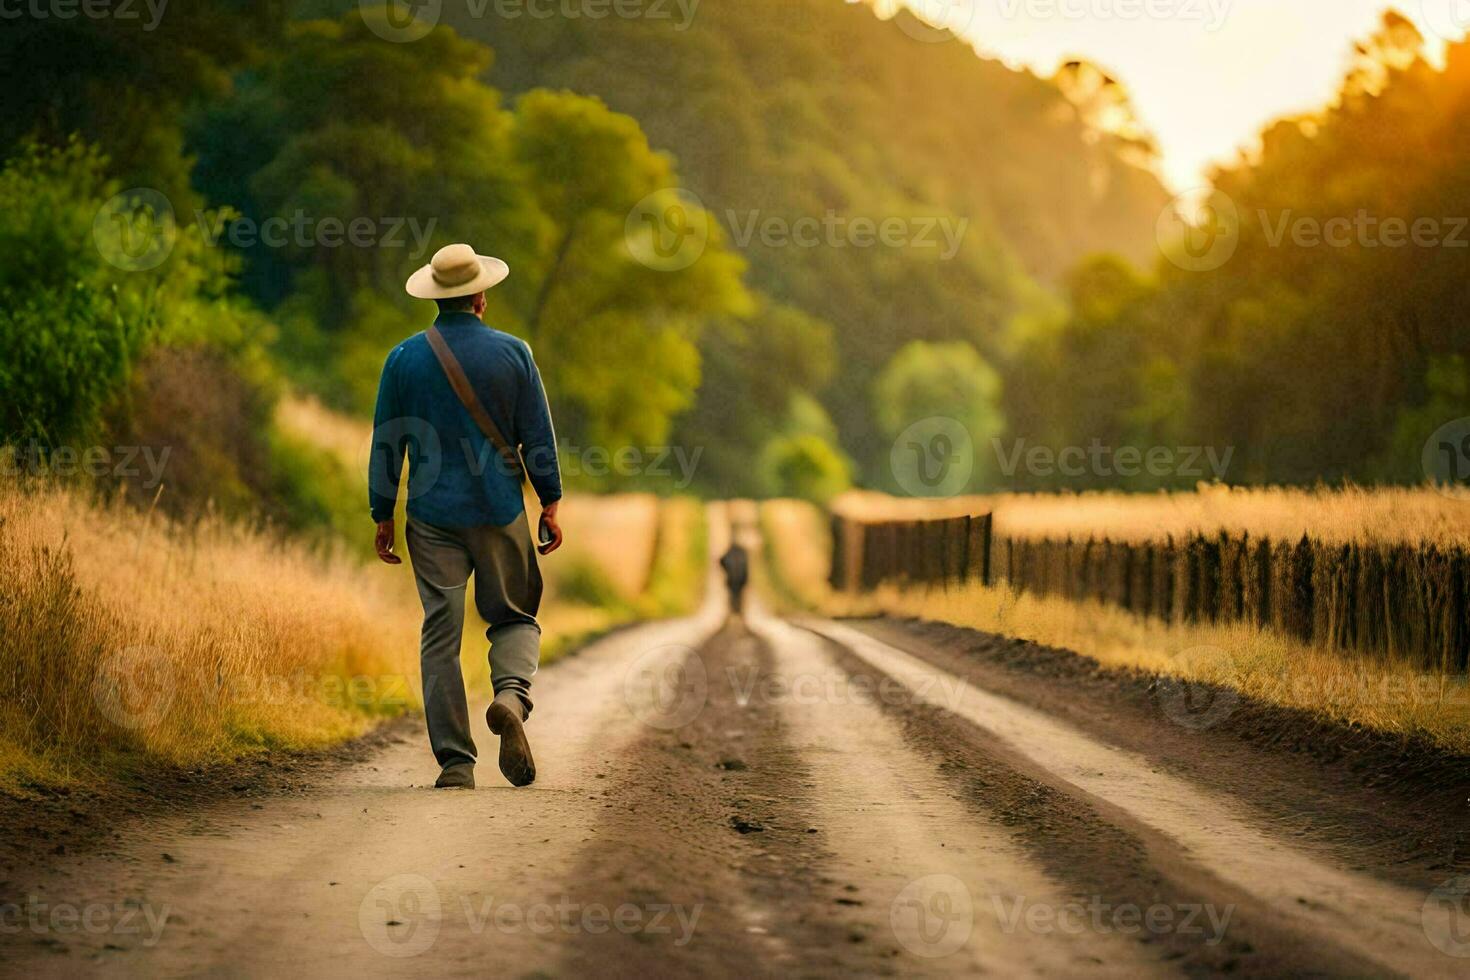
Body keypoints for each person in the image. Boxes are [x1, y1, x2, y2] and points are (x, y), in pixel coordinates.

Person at [368, 243, 563, 790]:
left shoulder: (403, 359)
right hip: (499, 508)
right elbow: (537, 436)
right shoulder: (514, 353)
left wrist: (382, 512)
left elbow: (388, 444)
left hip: (431, 516)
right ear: (480, 295)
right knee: (516, 616)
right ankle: (510, 698)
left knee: (440, 633)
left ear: (436, 297)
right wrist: (549, 500)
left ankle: (456, 762)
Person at [719, 540, 749, 615]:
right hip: (740, 579)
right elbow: (746, 567)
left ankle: (733, 609)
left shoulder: (730, 553)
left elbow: (721, 561)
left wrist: (726, 570)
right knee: (739, 594)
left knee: (733, 593)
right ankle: (738, 609)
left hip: (732, 579)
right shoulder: (742, 553)